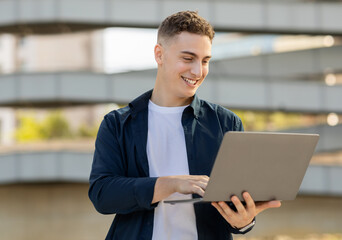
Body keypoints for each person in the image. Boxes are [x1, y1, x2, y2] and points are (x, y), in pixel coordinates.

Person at [89, 10, 281, 240]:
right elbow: (103, 195)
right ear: (159, 55)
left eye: (205, 61)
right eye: (188, 59)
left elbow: (236, 210)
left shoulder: (226, 123)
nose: (198, 71)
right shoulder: (118, 124)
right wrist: (172, 184)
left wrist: (243, 221)